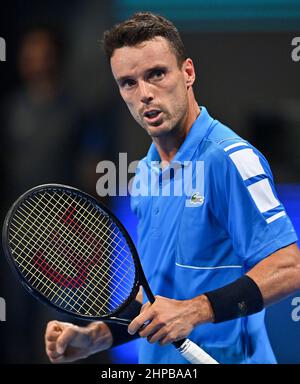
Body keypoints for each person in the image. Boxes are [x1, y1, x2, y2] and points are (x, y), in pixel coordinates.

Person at [45, 12, 300, 364]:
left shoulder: (229, 159)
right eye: (128, 83)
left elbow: (288, 267)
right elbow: (155, 297)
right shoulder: (146, 173)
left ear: (188, 73)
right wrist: (95, 337)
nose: (145, 94)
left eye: (156, 74)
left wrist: (195, 311)